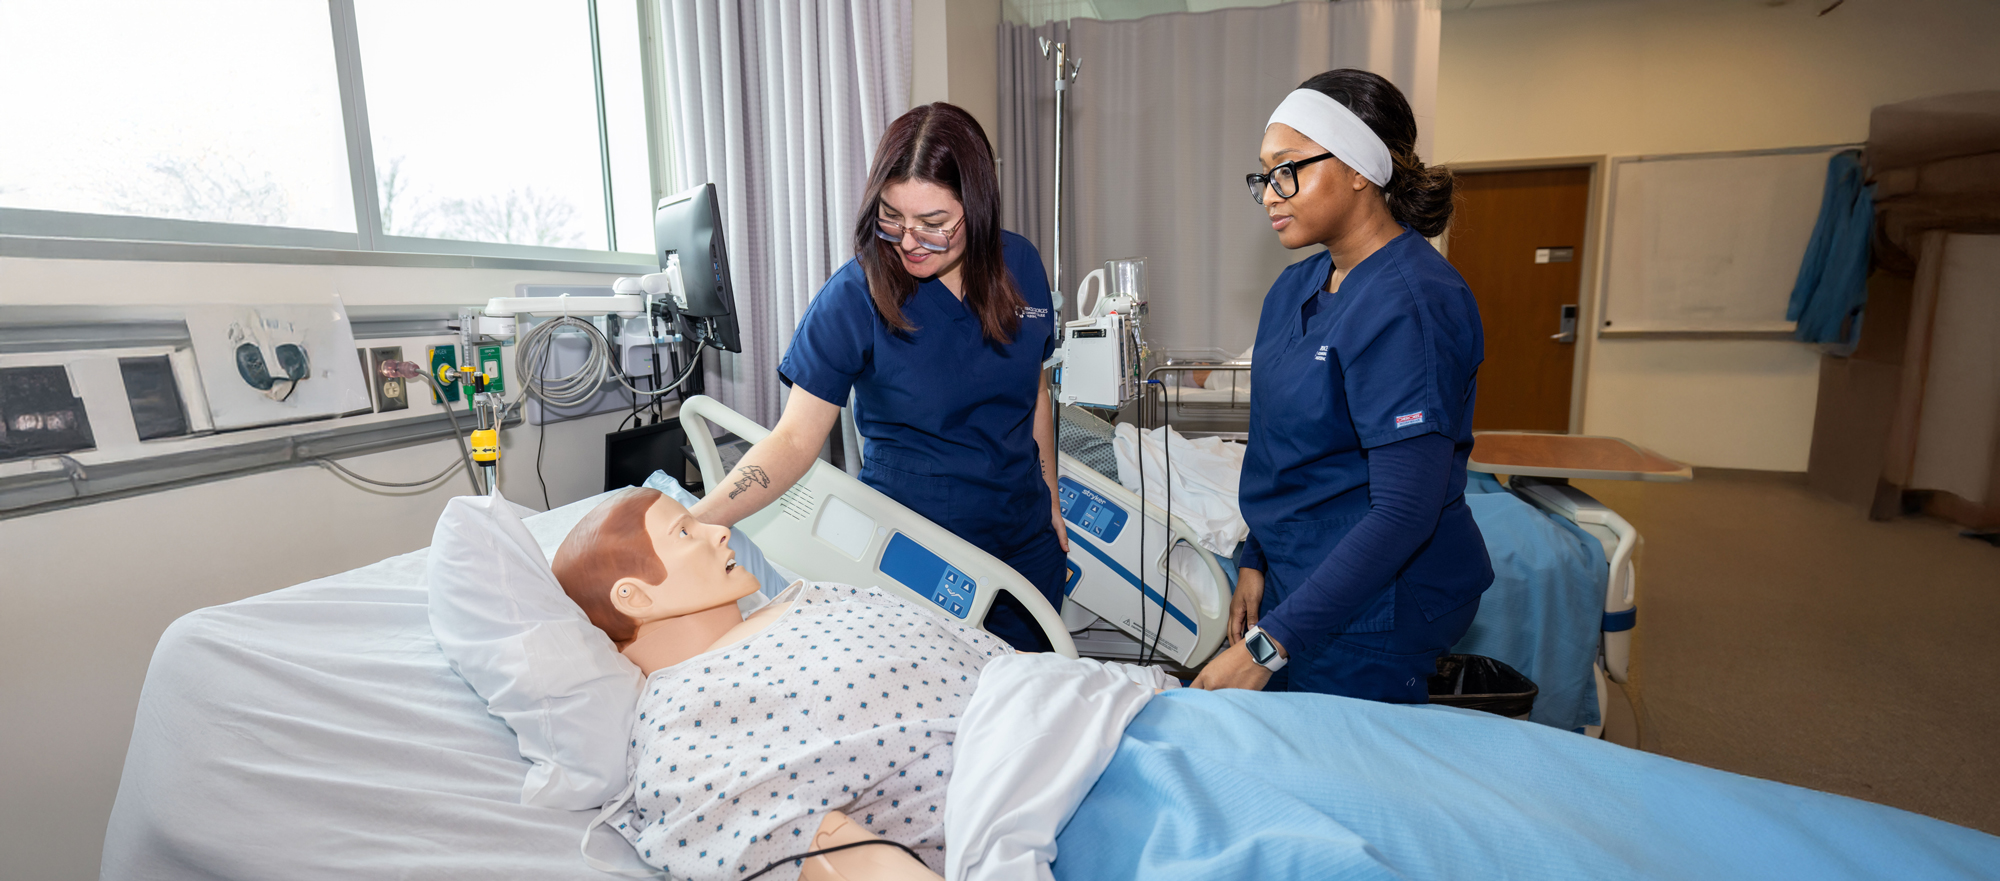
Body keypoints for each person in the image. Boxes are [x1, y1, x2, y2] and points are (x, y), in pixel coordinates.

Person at [687, 102, 1067, 652]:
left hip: (1024, 545)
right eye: (893, 217)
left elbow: (1034, 393)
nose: (910, 241)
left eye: (934, 224)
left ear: (979, 209)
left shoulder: (1022, 265)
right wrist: (694, 521)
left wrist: (1051, 501)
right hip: (913, 556)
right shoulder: (856, 294)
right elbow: (793, 439)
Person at [1190, 69, 1495, 701]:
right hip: (1300, 578)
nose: (1271, 194)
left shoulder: (1413, 304)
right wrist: (1257, 558)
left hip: (1380, 602)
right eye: (1263, 175)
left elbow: (1405, 512)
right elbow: (1283, 454)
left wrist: (1268, 647)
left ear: (1360, 168)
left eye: (1288, 169)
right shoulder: (1293, 290)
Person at [552, 486, 995, 881]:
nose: (719, 532)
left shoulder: (818, 596)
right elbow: (832, 858)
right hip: (1024, 799)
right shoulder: (685, 729)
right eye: (685, 532)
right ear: (635, 597)